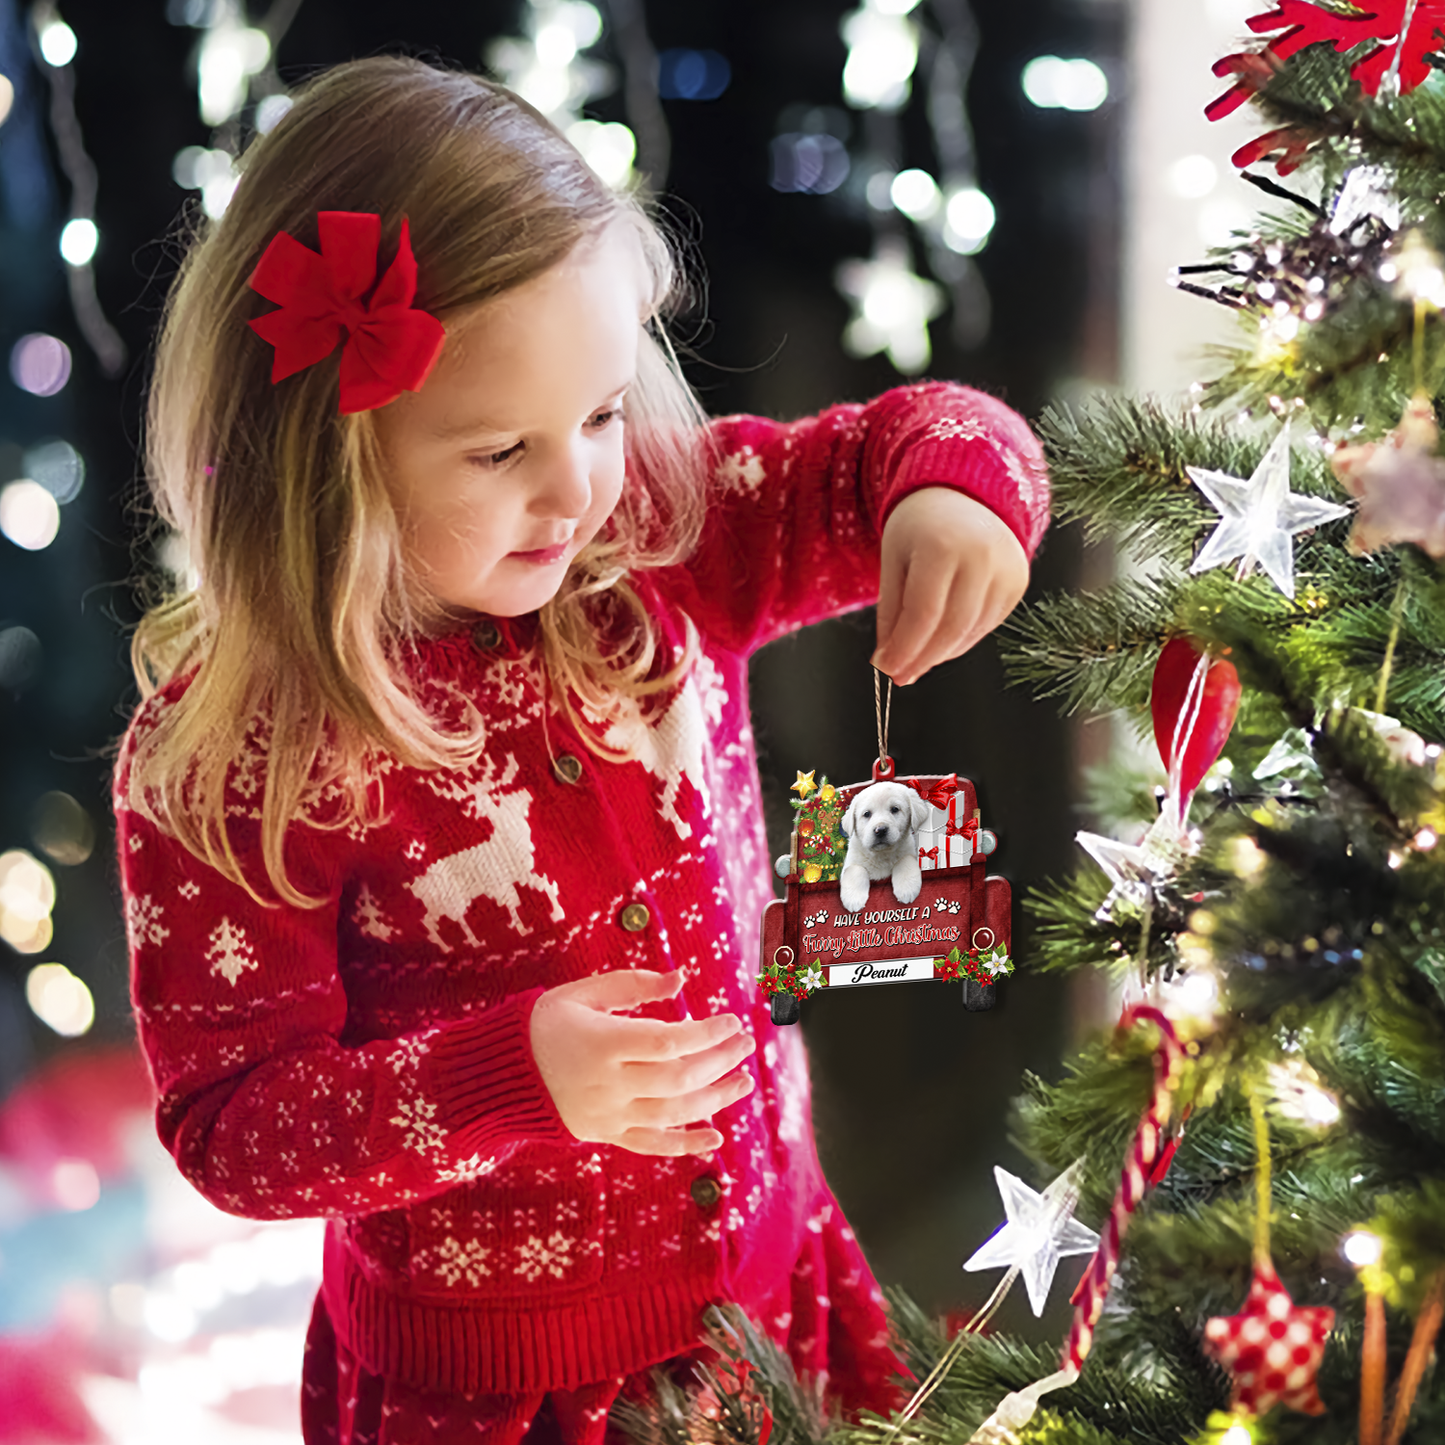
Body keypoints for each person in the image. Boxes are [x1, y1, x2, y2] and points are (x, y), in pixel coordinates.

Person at [115, 56, 1049, 1445]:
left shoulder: (662, 541)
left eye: (605, 413)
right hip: (504, 1389)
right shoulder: (237, 753)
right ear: (321, 455)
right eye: (499, 452)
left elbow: (906, 444)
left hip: (767, 1282)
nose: (578, 488)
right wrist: (510, 1078)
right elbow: (232, 1129)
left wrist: (957, 496)